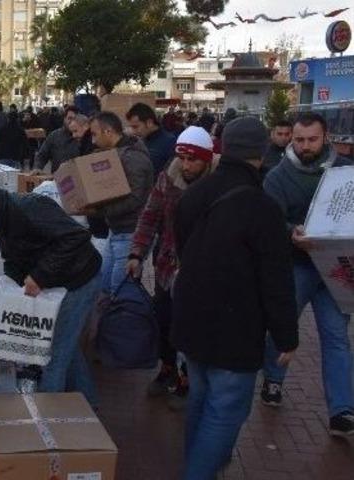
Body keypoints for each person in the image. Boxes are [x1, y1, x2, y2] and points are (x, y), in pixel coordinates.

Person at [173, 117, 298, 479]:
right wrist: (286, 335)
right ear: (260, 153)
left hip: (192, 317)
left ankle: (199, 468)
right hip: (235, 328)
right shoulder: (263, 207)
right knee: (224, 411)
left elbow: (184, 249)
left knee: (200, 401)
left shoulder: (194, 193)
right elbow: (275, 279)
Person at [0, 176, 102, 401]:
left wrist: (39, 275)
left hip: (79, 279)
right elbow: (13, 259)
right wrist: (9, 292)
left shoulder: (28, 208)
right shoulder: (0, 219)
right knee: (64, 344)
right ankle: (89, 401)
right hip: (59, 282)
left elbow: (76, 237)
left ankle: (41, 423)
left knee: (53, 355)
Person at [261, 112, 354, 436]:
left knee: (337, 338)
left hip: (334, 268)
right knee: (281, 330)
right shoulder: (277, 176)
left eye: (311, 139)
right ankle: (273, 380)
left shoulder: (346, 171)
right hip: (296, 266)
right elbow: (270, 221)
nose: (304, 146)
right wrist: (291, 232)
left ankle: (341, 410)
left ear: (325, 137)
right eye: (298, 140)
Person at [126, 126, 216, 410]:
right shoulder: (168, 179)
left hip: (202, 270)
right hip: (167, 266)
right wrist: (136, 253)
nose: (187, 166)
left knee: (191, 325)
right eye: (184, 159)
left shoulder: (219, 183)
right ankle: (167, 367)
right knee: (164, 319)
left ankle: (188, 377)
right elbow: (150, 216)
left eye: (194, 160)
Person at [87, 111, 154, 295]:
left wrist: (99, 210)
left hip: (130, 234)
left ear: (108, 132)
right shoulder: (116, 154)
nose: (93, 141)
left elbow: (135, 199)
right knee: (105, 287)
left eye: (94, 134)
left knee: (121, 291)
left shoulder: (132, 157)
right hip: (116, 231)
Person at [126, 102, 177, 175]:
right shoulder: (137, 141)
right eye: (131, 127)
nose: (133, 131)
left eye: (136, 127)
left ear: (149, 123)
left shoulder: (170, 142)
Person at [32, 109, 79, 173]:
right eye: (69, 118)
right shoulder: (54, 136)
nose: (72, 121)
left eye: (75, 119)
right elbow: (42, 155)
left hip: (79, 178)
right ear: (64, 118)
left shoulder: (83, 136)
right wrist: (37, 167)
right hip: (57, 178)